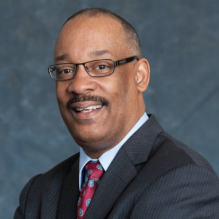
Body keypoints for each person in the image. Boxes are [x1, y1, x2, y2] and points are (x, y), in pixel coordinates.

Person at [14, 8, 219, 219]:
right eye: (65, 70)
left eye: (101, 66)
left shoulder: (185, 179)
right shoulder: (39, 194)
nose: (79, 85)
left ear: (140, 76)